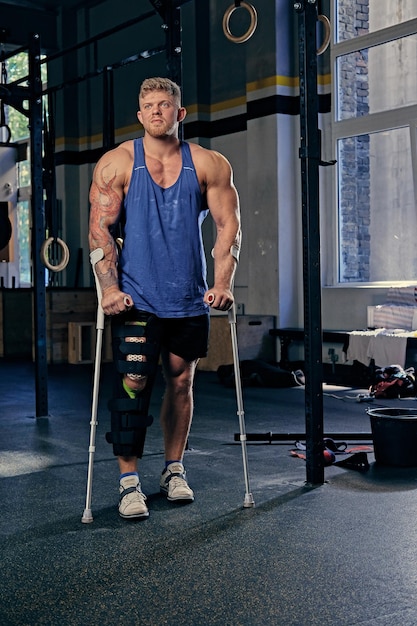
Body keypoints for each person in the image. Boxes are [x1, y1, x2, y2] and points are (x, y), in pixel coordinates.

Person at [88, 77, 241, 520]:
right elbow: (100, 231)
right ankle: (129, 481)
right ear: (140, 116)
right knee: (132, 385)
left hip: (189, 298)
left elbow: (228, 228)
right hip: (135, 298)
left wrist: (224, 281)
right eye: (149, 106)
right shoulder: (116, 164)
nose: (157, 111)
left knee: (181, 382)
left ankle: (174, 469)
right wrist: (110, 288)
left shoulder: (210, 164)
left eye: (165, 104)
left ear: (180, 113)